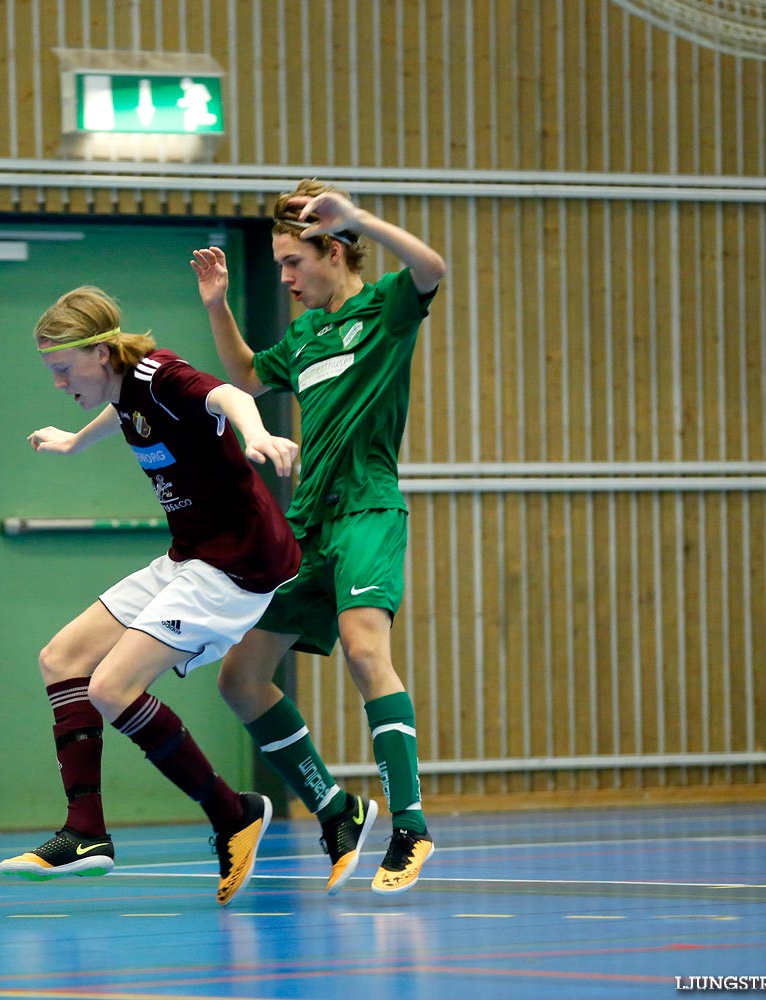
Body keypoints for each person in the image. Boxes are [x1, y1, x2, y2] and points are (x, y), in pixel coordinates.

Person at [0, 285, 302, 907]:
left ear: (102, 352)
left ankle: (230, 814)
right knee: (61, 659)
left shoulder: (157, 373)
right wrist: (74, 442)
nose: (57, 382)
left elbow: (227, 394)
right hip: (189, 555)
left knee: (110, 688)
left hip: (238, 563)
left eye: (62, 370)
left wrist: (257, 435)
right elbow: (123, 415)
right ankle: (86, 833)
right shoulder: (126, 390)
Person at [190, 178, 447, 895]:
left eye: (292, 263)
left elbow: (432, 270)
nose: (285, 277)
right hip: (307, 525)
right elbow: (244, 371)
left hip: (366, 509)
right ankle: (335, 810)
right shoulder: (304, 336)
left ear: (332, 250)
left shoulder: (386, 311)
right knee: (240, 679)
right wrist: (218, 307)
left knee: (366, 651)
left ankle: (411, 825)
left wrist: (365, 217)